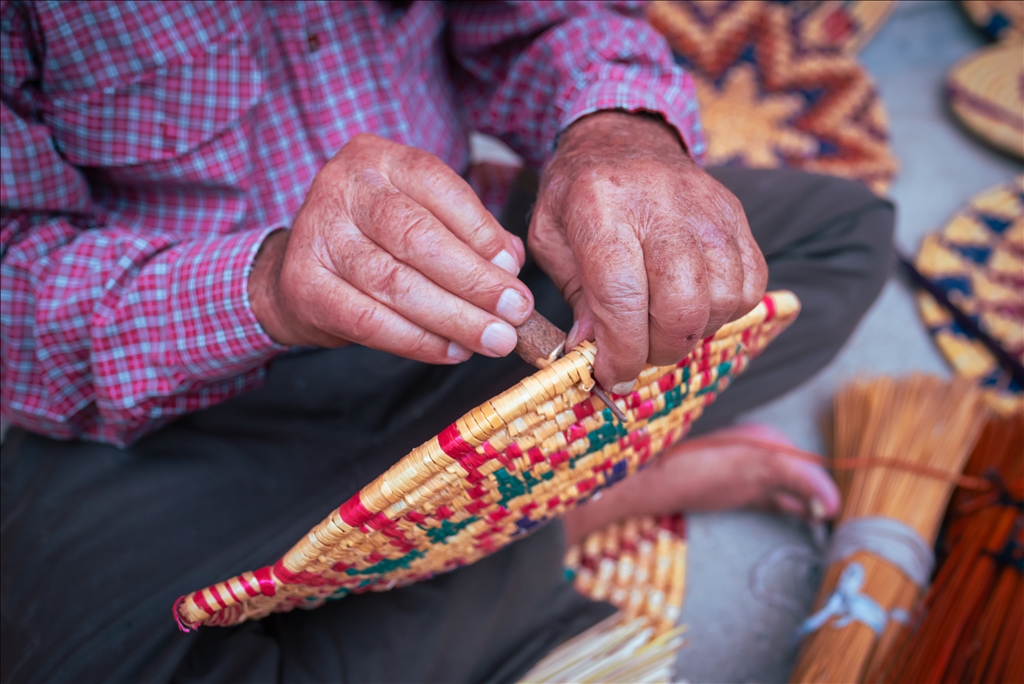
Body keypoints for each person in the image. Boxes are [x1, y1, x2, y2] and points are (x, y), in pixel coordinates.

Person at [0, 2, 892, 681]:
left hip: (481, 286)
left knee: (837, 240)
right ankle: (557, 501)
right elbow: (17, 283)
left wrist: (616, 129)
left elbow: (547, 19)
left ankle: (469, 524)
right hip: (195, 396)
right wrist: (268, 284)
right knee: (70, 650)